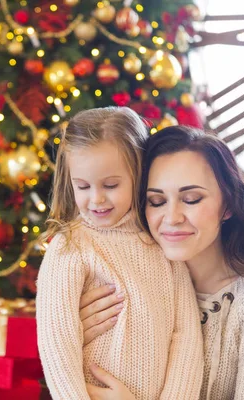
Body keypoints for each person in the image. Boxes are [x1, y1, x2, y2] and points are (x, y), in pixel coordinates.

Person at [81, 126, 244, 399]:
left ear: (228, 205)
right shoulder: (125, 282)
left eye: (191, 199)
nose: (172, 217)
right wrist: (78, 332)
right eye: (156, 201)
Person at [36, 108, 204, 400]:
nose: (97, 198)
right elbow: (57, 341)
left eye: (111, 185)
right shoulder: (71, 246)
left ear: (138, 174)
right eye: (83, 186)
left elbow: (186, 337)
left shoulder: (162, 245)